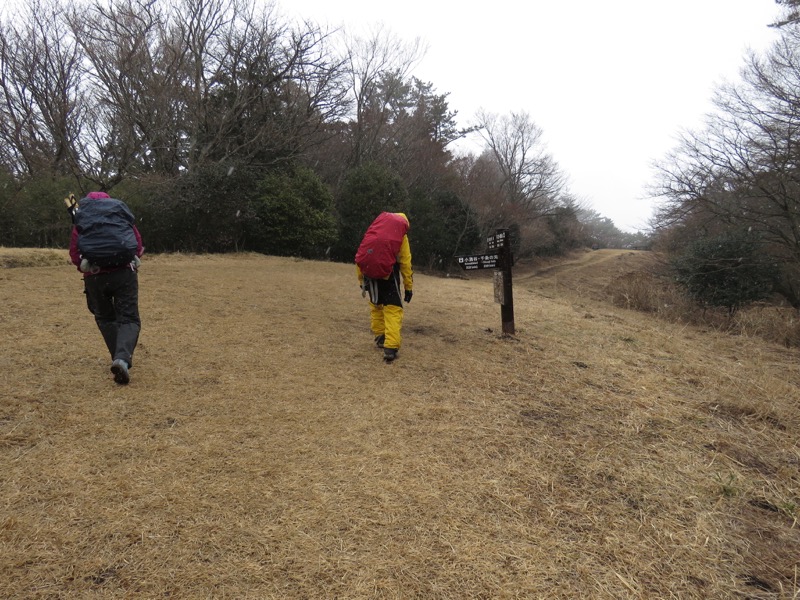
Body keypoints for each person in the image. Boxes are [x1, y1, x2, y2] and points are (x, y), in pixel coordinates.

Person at [69, 192, 144, 384]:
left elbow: (75, 253)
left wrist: (85, 266)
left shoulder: (83, 220)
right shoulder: (120, 216)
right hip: (123, 273)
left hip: (94, 276)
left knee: (105, 318)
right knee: (129, 319)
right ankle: (122, 358)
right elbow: (137, 245)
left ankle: (119, 358)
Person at [355, 212, 413, 362]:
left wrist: (361, 280)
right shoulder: (401, 236)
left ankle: (380, 335)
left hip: (370, 274)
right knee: (393, 309)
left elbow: (362, 254)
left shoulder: (375, 229)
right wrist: (408, 287)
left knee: (376, 305)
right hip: (388, 275)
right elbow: (405, 263)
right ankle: (390, 348)